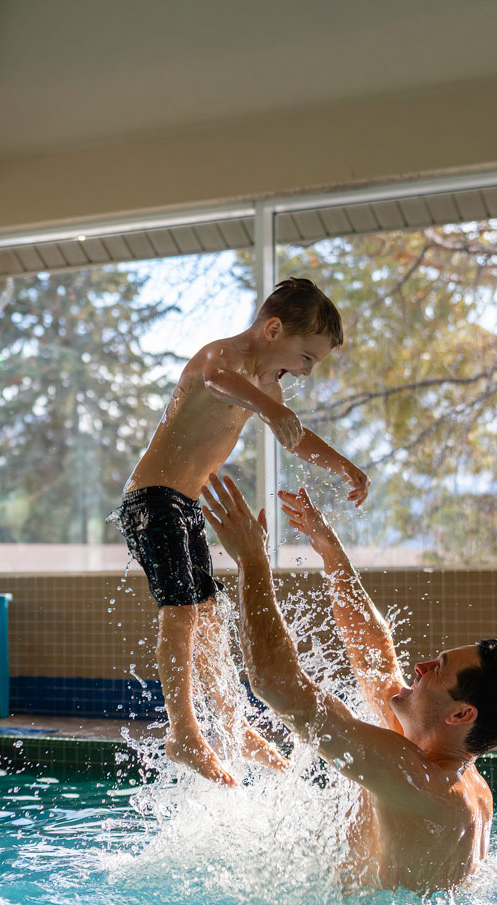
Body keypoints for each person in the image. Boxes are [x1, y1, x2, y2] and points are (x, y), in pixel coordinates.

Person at [200, 473, 497, 893]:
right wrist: (329, 549)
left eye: (439, 667)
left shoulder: (417, 778)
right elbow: (375, 651)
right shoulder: (452, 771)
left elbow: (275, 684)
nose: (420, 666)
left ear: (461, 713)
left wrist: (252, 560)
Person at [118, 277, 369, 785]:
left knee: (210, 615)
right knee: (183, 610)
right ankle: (184, 733)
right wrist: (271, 408)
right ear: (273, 329)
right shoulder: (223, 358)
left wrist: (343, 465)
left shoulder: (266, 386)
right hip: (150, 501)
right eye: (306, 358)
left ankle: (232, 721)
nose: (303, 372)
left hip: (184, 504)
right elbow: (216, 381)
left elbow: (295, 437)